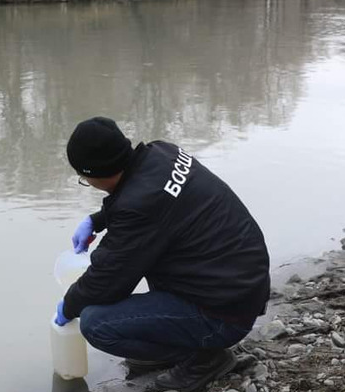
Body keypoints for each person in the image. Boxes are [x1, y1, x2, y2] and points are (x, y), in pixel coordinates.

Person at [54, 117, 270, 392]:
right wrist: (98, 220)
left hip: (225, 312)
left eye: (84, 178)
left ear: (96, 174)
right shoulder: (162, 152)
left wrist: (69, 305)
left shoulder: (139, 208)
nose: (86, 181)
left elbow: (105, 283)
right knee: (148, 256)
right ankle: (180, 345)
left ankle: (205, 357)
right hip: (242, 283)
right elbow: (155, 202)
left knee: (97, 323)